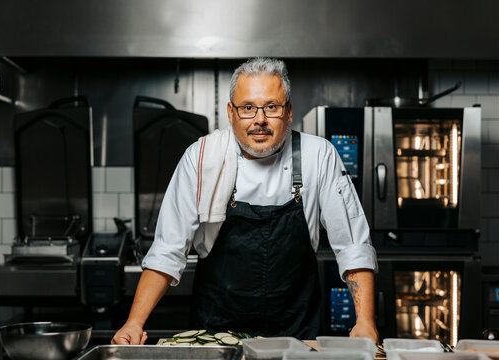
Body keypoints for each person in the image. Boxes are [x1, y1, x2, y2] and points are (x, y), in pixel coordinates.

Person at [111, 57, 379, 345]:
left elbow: (352, 246)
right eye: (247, 108)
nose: (259, 120)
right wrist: (133, 323)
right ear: (231, 112)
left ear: (288, 112)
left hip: (296, 334)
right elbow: (167, 250)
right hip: (216, 333)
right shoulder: (201, 159)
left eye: (271, 107)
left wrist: (365, 321)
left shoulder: (318, 156)